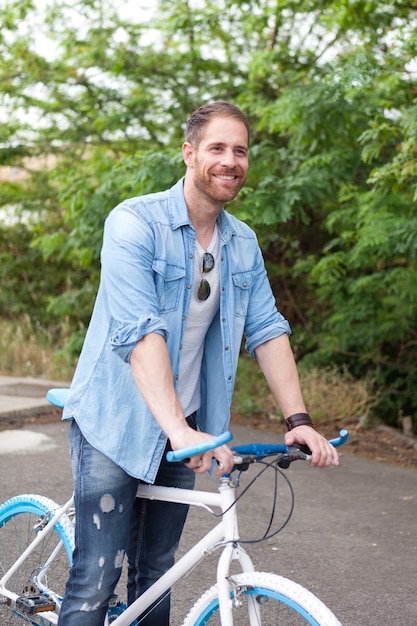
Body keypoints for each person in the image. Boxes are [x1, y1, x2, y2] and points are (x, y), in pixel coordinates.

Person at [58, 101, 339, 626]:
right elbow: (141, 333)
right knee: (95, 578)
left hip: (184, 425)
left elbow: (267, 329)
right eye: (217, 148)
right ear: (189, 154)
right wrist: (179, 432)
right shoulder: (134, 222)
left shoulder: (242, 242)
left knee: (157, 573)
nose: (230, 160)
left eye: (240, 150)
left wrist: (297, 421)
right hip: (114, 421)